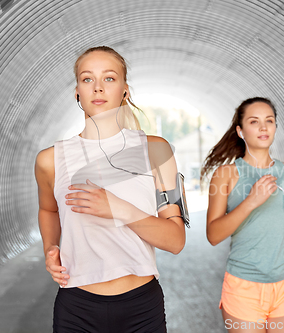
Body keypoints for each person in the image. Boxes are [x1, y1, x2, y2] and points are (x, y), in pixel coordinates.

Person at [34, 46, 186, 332]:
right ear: (77, 91)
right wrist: (50, 247)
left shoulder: (156, 150)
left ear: (125, 91)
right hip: (76, 307)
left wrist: (117, 208)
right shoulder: (50, 160)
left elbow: (175, 241)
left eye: (110, 78)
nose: (98, 88)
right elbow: (48, 209)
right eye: (88, 79)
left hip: (142, 307)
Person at [201, 97, 284, 333]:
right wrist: (251, 200)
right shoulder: (226, 174)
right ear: (241, 131)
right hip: (244, 287)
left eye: (269, 121)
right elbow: (213, 235)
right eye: (254, 122)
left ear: (275, 127)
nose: (264, 127)